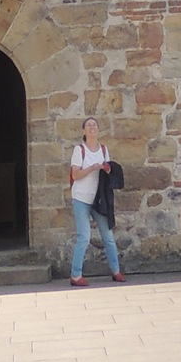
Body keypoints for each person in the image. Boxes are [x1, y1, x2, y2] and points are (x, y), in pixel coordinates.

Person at [69, 116, 125, 286]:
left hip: (98, 199)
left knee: (108, 236)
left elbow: (108, 174)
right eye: (89, 125)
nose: (92, 127)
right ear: (84, 131)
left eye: (94, 125)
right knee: (84, 237)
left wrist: (107, 169)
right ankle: (75, 275)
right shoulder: (79, 150)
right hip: (81, 198)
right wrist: (92, 168)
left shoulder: (103, 149)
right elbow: (75, 174)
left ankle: (116, 271)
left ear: (98, 129)